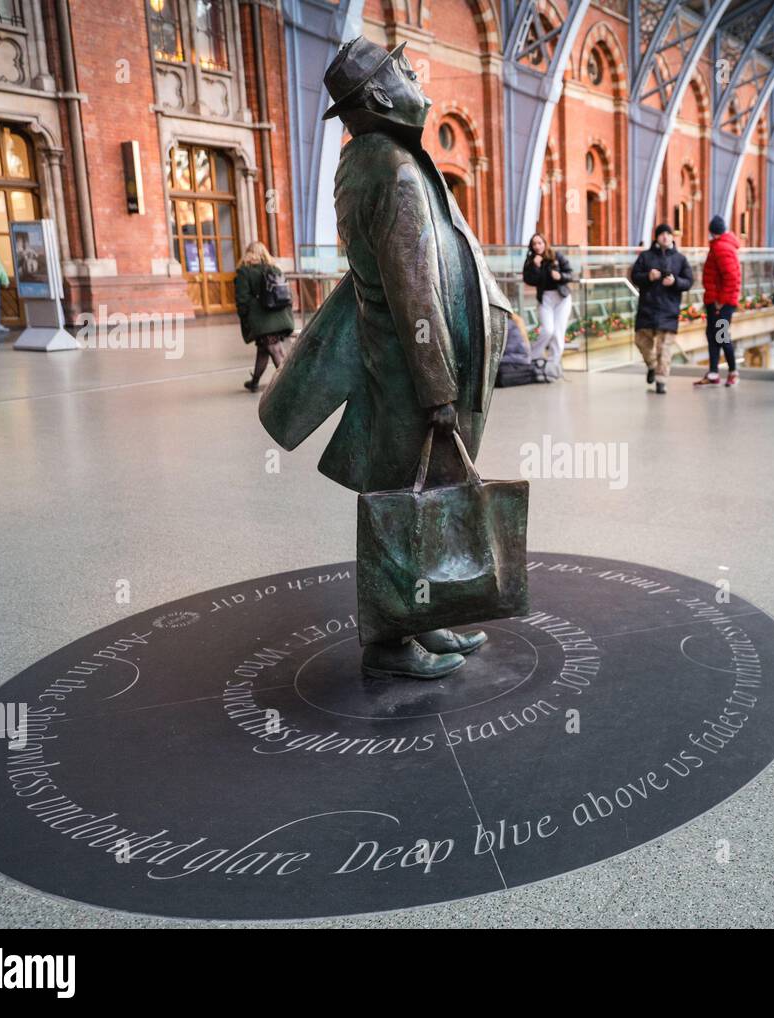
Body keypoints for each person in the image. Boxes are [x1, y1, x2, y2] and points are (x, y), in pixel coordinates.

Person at [259, 33, 515, 681]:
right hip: (410, 376)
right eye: (400, 69)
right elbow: (415, 295)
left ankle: (423, 617)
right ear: (378, 94)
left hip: (405, 370)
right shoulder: (392, 170)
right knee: (403, 501)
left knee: (418, 497)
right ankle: (390, 643)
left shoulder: (380, 158)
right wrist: (438, 389)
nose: (412, 75)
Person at [630, 224, 693, 394]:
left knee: (664, 348)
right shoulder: (645, 256)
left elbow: (689, 281)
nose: (665, 236)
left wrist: (675, 282)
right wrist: (648, 277)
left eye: (668, 233)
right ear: (656, 237)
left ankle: (661, 381)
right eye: (662, 234)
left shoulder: (680, 259)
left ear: (672, 237)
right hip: (647, 308)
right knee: (640, 341)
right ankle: (652, 365)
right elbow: (634, 276)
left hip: (668, 309)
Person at [235, 241, 295, 392]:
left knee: (275, 350)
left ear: (248, 253)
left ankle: (289, 385)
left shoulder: (245, 271)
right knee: (263, 349)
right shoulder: (274, 268)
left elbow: (242, 298)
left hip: (262, 319)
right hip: (280, 315)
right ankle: (254, 381)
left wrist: (245, 316)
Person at [696, 215, 742, 387]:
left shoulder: (721, 247)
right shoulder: (722, 245)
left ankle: (733, 372)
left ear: (712, 232)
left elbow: (731, 277)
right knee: (713, 336)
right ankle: (714, 372)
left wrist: (720, 302)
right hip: (717, 301)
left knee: (721, 336)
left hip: (721, 303)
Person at [523, 233, 573, 378]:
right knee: (547, 330)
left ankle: (553, 364)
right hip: (546, 298)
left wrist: (561, 276)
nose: (537, 246)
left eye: (540, 243)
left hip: (562, 298)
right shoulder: (531, 261)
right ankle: (534, 357)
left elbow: (570, 273)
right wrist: (536, 266)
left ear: (545, 243)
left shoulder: (557, 256)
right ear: (532, 246)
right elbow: (530, 280)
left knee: (558, 333)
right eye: (534, 244)